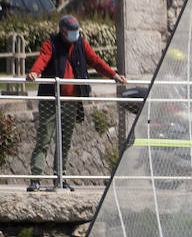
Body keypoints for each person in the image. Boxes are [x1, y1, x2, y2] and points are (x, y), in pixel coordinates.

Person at [26, 14, 126, 191]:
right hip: (51, 98)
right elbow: (42, 59)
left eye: (76, 31)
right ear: (62, 31)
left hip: (71, 100)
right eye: (71, 31)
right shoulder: (51, 43)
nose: (75, 34)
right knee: (44, 138)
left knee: (65, 140)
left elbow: (96, 61)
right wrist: (34, 72)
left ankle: (61, 177)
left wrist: (114, 75)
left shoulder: (81, 43)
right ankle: (36, 178)